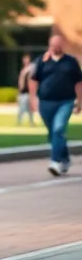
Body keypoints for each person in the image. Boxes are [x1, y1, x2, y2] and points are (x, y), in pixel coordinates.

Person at [29, 34, 82, 177]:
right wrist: (33, 99)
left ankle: (55, 162)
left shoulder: (71, 62)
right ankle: (65, 159)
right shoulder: (42, 61)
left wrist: (79, 102)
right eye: (53, 45)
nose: (56, 47)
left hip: (66, 101)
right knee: (53, 134)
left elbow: (78, 83)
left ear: (62, 45)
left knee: (58, 129)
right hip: (46, 102)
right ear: (49, 45)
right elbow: (33, 80)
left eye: (58, 45)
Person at [16, 53, 37, 127]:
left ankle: (29, 122)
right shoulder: (24, 69)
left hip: (28, 92)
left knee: (27, 108)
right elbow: (21, 81)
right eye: (24, 59)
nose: (25, 60)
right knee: (23, 107)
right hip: (23, 92)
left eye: (27, 59)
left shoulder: (31, 68)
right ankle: (20, 121)